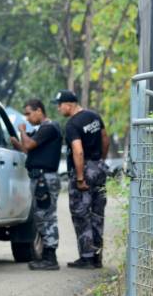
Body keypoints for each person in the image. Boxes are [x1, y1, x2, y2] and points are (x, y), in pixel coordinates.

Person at [53, 90, 109, 269]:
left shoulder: (72, 124)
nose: (58, 108)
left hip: (83, 170)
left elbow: (78, 151)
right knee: (97, 214)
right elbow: (105, 139)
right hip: (98, 168)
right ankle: (97, 258)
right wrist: (100, 161)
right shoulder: (94, 116)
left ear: (68, 104)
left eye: (59, 105)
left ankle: (86, 257)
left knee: (81, 214)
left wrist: (79, 178)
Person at [10, 99, 63, 270]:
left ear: (39, 111)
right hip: (40, 178)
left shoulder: (49, 127)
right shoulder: (41, 129)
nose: (26, 117)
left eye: (28, 113)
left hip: (44, 179)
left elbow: (29, 144)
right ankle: (47, 256)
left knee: (46, 216)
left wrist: (22, 132)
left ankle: (50, 257)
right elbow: (26, 149)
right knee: (42, 216)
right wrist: (17, 140)